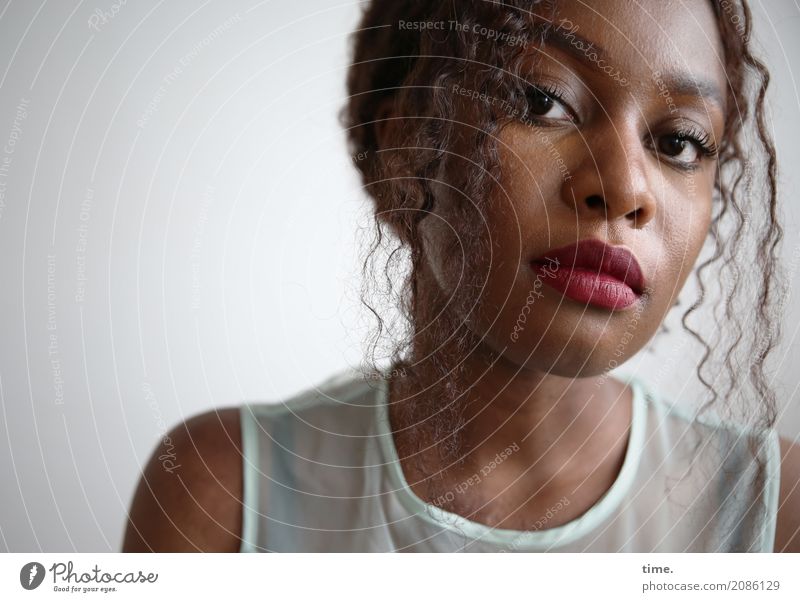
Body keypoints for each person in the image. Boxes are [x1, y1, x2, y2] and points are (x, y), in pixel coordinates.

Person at [122, 0, 800, 552]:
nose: (624, 187)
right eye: (541, 100)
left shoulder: (777, 517)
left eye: (679, 142)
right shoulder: (223, 494)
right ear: (402, 152)